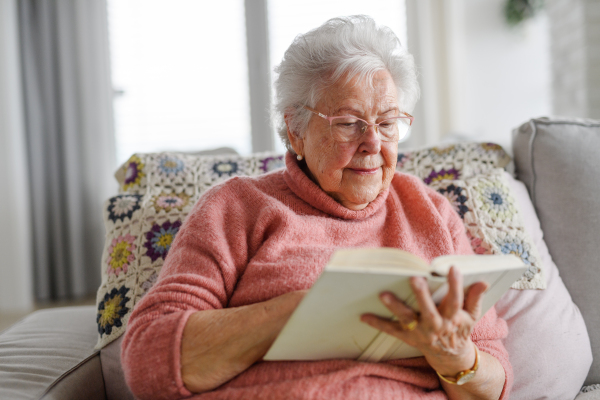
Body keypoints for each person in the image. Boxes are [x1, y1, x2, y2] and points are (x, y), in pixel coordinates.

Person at [121, 15, 512, 400]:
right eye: (348, 123)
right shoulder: (237, 207)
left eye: (388, 123)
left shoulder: (431, 213)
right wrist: (297, 312)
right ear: (296, 131)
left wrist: (458, 359)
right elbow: (148, 362)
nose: (373, 144)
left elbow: (494, 385)